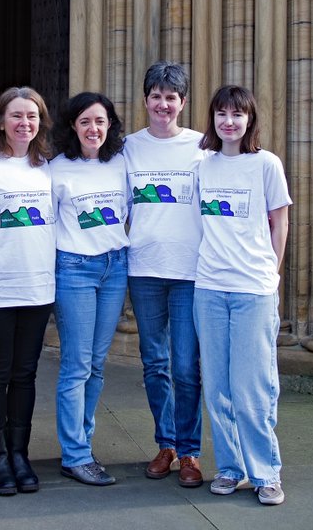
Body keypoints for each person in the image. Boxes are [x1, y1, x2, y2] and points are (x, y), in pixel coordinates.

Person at [195, 85, 291, 507]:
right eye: (221, 113)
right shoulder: (203, 165)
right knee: (217, 385)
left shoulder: (265, 164)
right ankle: (231, 468)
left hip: (252, 288)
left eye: (237, 114)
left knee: (252, 386)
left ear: (250, 120)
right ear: (212, 119)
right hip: (210, 287)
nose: (228, 121)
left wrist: (273, 271)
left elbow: (279, 221)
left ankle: (266, 472)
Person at [0, 87, 56, 496]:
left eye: (32, 116)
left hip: (38, 286)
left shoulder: (48, 168)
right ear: (1, 120)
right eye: (17, 115)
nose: (25, 123)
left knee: (25, 374)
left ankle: (20, 454)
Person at [123, 61, 207, 486]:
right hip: (144, 269)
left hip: (190, 270)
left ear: (183, 102)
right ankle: (166, 444)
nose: (162, 104)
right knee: (154, 362)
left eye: (170, 97)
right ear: (145, 100)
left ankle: (191, 453)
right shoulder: (127, 147)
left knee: (186, 365)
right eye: (155, 96)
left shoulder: (202, 146)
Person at [49, 92, 129, 487]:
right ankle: (76, 454)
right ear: (72, 127)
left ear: (110, 125)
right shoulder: (56, 169)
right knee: (77, 364)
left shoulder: (122, 163)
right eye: (84, 122)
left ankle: (81, 442)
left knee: (97, 364)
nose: (93, 129)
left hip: (114, 268)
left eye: (100, 121)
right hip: (75, 269)